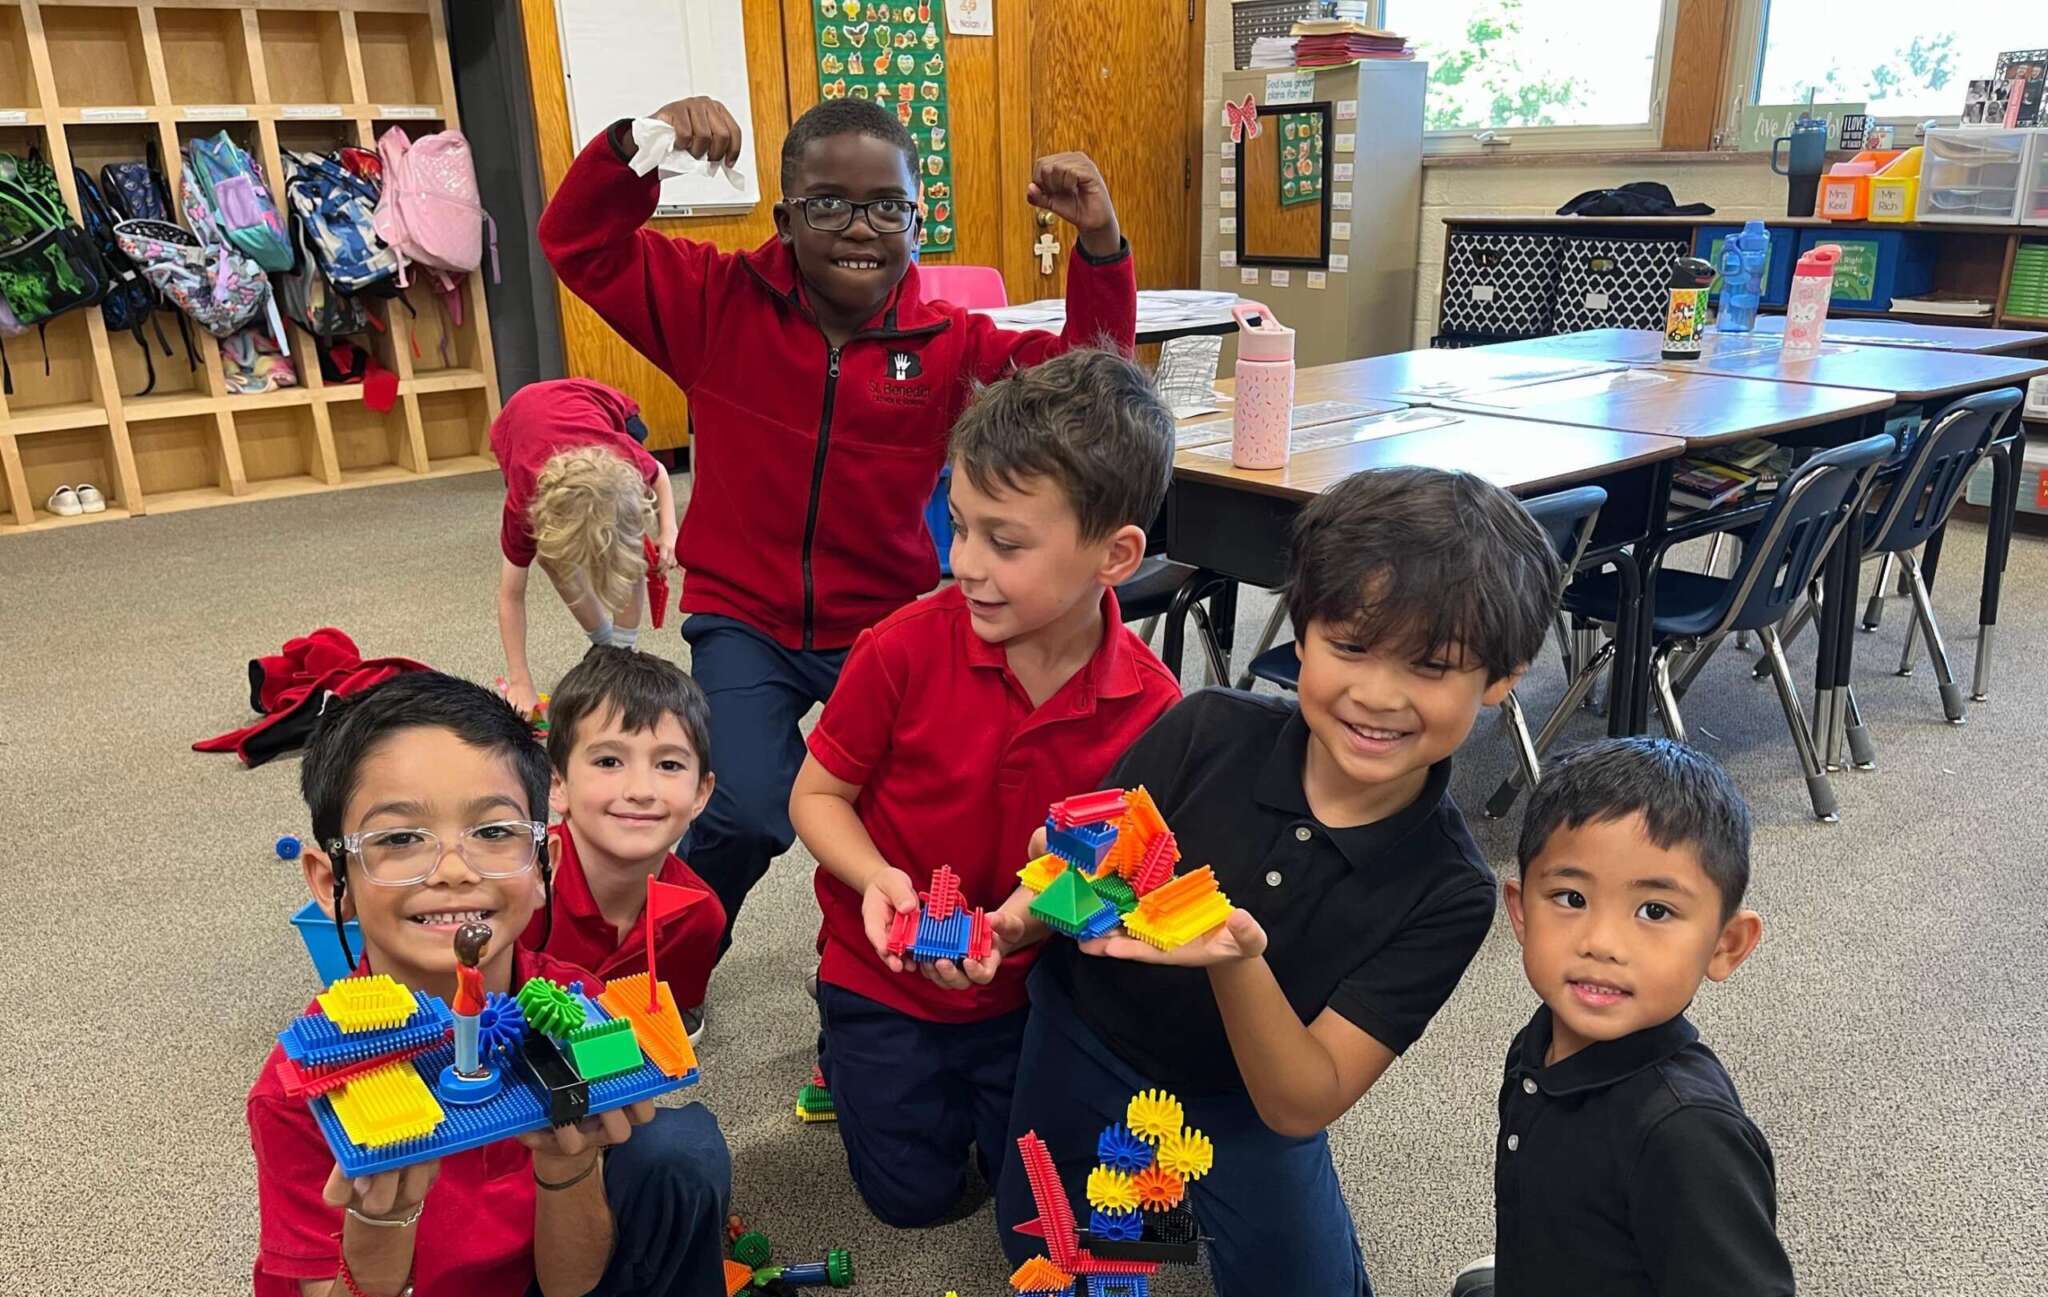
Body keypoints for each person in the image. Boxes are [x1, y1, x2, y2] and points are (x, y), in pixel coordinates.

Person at [539, 92, 1136, 952]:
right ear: (785, 219)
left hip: (884, 624)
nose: (861, 228)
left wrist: (1101, 244)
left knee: (909, 810)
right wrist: (641, 142)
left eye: (888, 208)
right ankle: (669, 962)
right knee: (744, 807)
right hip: (745, 616)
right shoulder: (715, 302)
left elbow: (1089, 386)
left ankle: (870, 957)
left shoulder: (949, 344)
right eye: (829, 205)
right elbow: (578, 242)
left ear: (917, 224)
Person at [998, 467, 1563, 1295]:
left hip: (1249, 1100)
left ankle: (1180, 1195)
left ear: (1502, 677)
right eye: (1351, 646)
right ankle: (1158, 1201)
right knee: (1046, 1244)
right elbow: (1079, 866)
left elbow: (1301, 1100)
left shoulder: (1449, 887)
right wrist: (1018, 917)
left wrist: (1237, 959)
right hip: (1090, 1033)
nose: (1378, 694)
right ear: (1301, 635)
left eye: (1430, 665)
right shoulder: (1206, 727)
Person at [789, 349, 1182, 1227]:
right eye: (958, 523)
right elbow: (816, 796)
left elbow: (1116, 873)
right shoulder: (901, 647)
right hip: (881, 973)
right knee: (912, 1202)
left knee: (1032, 1187)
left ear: (1116, 555)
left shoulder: (1154, 708)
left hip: (1032, 986)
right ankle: (840, 1046)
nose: (962, 561)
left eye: (1003, 542)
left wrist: (1023, 921)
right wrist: (876, 878)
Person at [247, 672, 730, 1297]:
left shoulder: (571, 1000)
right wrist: (382, 1224)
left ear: (543, 866)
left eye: (495, 832)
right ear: (330, 881)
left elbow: (570, 1283)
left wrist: (569, 1165)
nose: (453, 870)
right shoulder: (299, 1093)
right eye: (399, 838)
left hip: (545, 1268)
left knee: (677, 1149)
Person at [1453, 738, 1791, 1297]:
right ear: (1520, 911)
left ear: (1725, 945)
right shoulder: (1537, 1044)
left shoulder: (1686, 1134)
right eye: (1570, 898)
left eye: (1654, 911)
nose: (1602, 943)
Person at [521, 646, 726, 1043]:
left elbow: (652, 1036)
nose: (640, 790)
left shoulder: (700, 918)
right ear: (557, 784)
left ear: (701, 793)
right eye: (609, 762)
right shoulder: (510, 886)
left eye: (669, 765)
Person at [492, 377, 677, 718]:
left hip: (598, 404)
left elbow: (661, 474)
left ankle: (621, 651)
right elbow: (510, 596)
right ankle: (604, 642)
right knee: (551, 559)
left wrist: (668, 531)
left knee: (630, 551)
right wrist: (520, 680)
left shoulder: (625, 459)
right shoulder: (523, 504)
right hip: (519, 419)